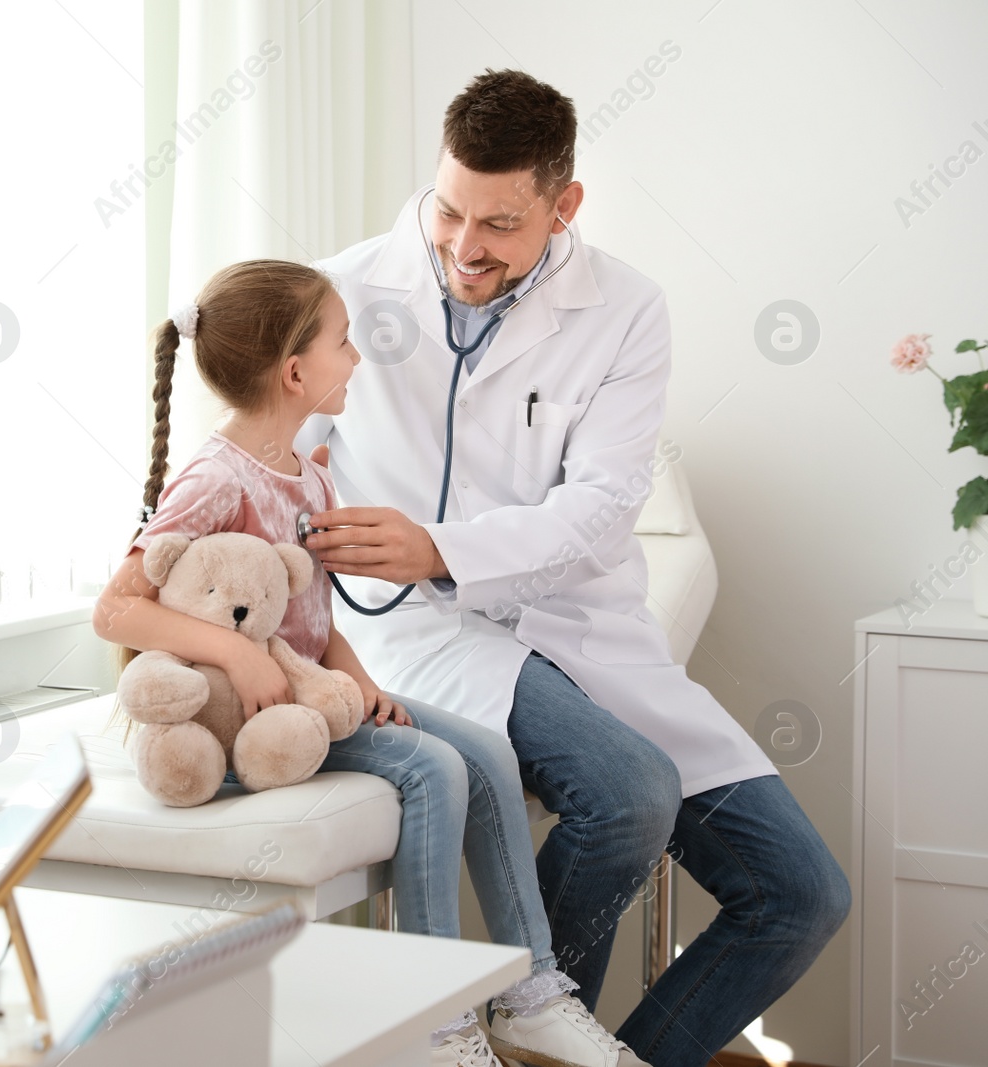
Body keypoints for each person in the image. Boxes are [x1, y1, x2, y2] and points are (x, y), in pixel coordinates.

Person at [293, 69, 849, 1066]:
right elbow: (269, 456)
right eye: (449, 209)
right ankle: (525, 1007)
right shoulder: (342, 289)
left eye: (500, 225)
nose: (464, 247)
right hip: (414, 625)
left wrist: (443, 544)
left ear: (564, 204)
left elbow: (599, 510)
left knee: (801, 893)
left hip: (581, 627)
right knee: (627, 791)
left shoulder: (626, 309)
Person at [93, 259, 652, 1067]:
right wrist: (235, 658)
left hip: (311, 694)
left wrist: (359, 678)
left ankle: (531, 991)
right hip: (247, 719)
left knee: (487, 748)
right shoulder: (217, 477)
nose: (356, 359)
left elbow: (315, 618)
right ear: (295, 372)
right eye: (342, 343)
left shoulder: (308, 476)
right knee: (434, 769)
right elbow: (116, 606)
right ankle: (429, 1019)